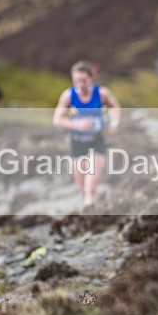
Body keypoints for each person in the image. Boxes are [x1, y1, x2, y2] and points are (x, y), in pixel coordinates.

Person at [52, 61, 121, 209]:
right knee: (83, 189)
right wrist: (77, 125)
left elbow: (114, 106)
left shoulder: (101, 93)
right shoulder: (68, 96)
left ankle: (90, 220)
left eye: (84, 80)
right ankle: (99, 202)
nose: (81, 84)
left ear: (91, 79)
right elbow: (57, 120)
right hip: (77, 143)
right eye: (76, 81)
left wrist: (114, 123)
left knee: (90, 187)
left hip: (97, 142)